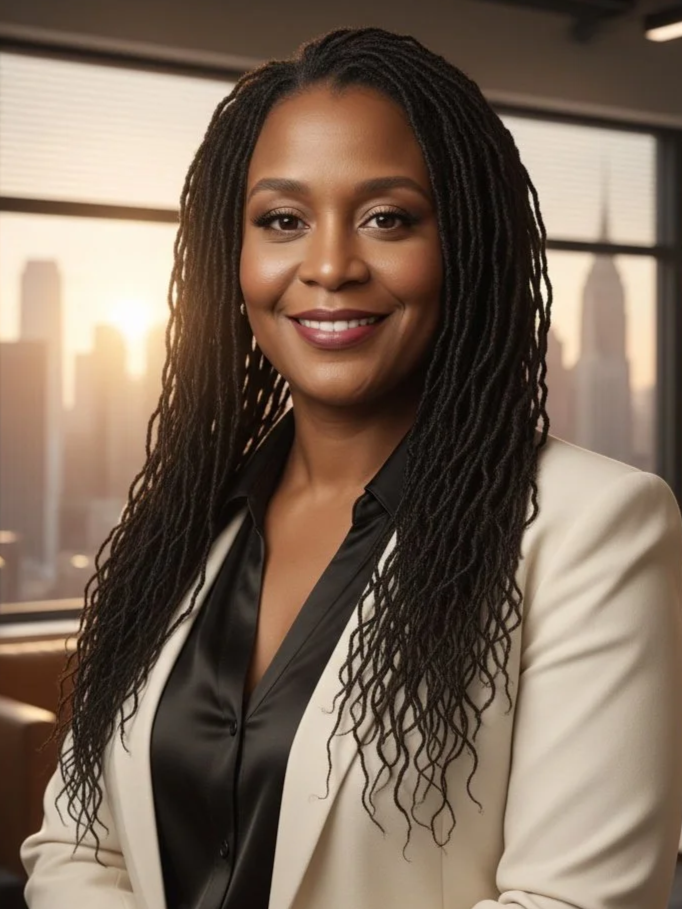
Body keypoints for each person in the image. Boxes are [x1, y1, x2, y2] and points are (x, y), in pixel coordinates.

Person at [21, 26, 682, 909]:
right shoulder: (179, 527)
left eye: (388, 217)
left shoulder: (596, 528)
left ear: (467, 247)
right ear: (237, 254)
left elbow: (571, 902)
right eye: (283, 220)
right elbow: (73, 845)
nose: (329, 265)